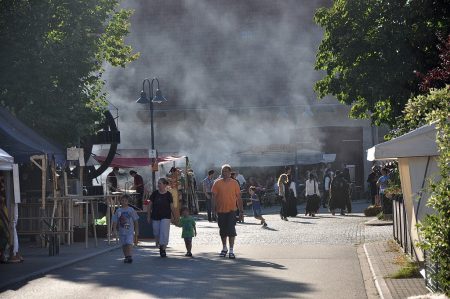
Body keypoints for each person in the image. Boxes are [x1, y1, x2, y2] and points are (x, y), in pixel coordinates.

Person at [211, 164, 243, 259]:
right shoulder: (217, 183)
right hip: (220, 211)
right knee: (223, 231)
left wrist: (241, 211)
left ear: (229, 172)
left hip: (231, 211)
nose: (224, 173)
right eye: (222, 171)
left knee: (231, 230)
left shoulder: (235, 183)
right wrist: (213, 210)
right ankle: (224, 248)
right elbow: (213, 197)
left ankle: (231, 250)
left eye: (226, 171)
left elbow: (239, 198)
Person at [147, 178, 176, 258]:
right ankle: (160, 243)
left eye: (160, 183)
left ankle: (163, 249)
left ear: (165, 185)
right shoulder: (155, 194)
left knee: (164, 232)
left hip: (166, 216)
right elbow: (149, 205)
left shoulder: (168, 195)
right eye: (158, 183)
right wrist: (148, 216)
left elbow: (171, 206)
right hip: (155, 215)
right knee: (156, 232)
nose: (158, 185)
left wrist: (174, 216)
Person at [112, 194, 139, 264]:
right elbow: (115, 220)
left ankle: (129, 256)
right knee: (124, 244)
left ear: (128, 202)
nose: (124, 202)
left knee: (129, 242)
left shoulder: (131, 210)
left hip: (129, 230)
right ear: (120, 201)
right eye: (122, 201)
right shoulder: (118, 211)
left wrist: (136, 230)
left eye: (126, 201)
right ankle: (126, 256)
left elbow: (135, 220)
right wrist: (114, 229)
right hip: (122, 231)